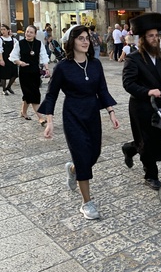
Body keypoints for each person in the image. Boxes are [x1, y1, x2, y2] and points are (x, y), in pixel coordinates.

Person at [38, 25, 119, 219]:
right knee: (83, 156)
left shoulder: (95, 64)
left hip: (92, 114)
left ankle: (73, 169)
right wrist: (49, 122)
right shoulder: (63, 67)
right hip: (72, 114)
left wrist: (111, 112)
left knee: (94, 153)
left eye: (87, 38)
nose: (85, 41)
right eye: (81, 38)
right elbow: (51, 96)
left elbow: (103, 90)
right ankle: (87, 203)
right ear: (72, 41)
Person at [122, 13, 161, 190]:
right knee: (146, 141)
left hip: (158, 106)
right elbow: (128, 84)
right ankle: (150, 175)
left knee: (155, 138)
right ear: (143, 39)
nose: (155, 39)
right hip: (140, 106)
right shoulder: (133, 58)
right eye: (151, 36)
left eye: (157, 35)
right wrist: (147, 91)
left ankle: (130, 148)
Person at [9, 24, 50, 124]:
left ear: (35, 34)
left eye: (31, 32)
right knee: (32, 94)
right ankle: (40, 117)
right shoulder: (20, 43)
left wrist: (47, 68)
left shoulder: (39, 44)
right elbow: (13, 56)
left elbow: (44, 56)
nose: (28, 34)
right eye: (27, 31)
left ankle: (23, 112)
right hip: (24, 73)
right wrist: (20, 63)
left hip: (35, 72)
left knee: (29, 94)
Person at [0, 24, 18, 95]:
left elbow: (17, 49)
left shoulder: (13, 39)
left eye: (4, 29)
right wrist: (1, 60)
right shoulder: (0, 39)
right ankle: (4, 89)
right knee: (3, 75)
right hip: (4, 58)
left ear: (8, 30)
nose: (3, 31)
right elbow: (0, 50)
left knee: (14, 74)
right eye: (1, 30)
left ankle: (9, 87)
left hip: (12, 58)